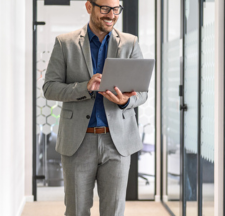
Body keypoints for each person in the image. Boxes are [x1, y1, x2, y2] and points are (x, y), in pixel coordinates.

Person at [42, 0, 147, 215]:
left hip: (117, 143)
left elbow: (142, 93)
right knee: (76, 210)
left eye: (116, 9)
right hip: (78, 144)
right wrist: (84, 87)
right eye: (105, 8)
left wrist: (125, 102)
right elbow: (50, 88)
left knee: (114, 211)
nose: (112, 14)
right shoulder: (65, 43)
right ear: (89, 7)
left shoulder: (130, 43)